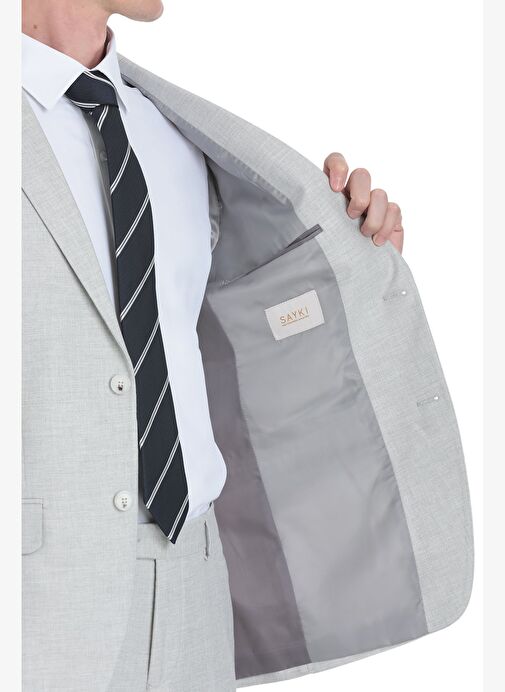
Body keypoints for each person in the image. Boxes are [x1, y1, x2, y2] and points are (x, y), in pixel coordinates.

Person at [22, 1, 406, 690]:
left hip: (195, 581)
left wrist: (351, 257)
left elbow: (216, 331)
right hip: (34, 597)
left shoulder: (177, 135)